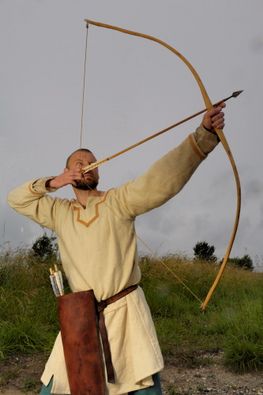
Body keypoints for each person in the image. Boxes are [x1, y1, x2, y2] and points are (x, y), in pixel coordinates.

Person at [8, 104, 225, 395]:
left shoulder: (118, 201)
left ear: (98, 171)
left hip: (126, 315)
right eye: (77, 163)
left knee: (139, 384)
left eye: (91, 163)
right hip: (80, 320)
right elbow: (16, 199)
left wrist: (204, 135)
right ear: (67, 171)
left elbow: (160, 181)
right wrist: (51, 183)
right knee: (57, 387)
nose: (85, 165)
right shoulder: (58, 212)